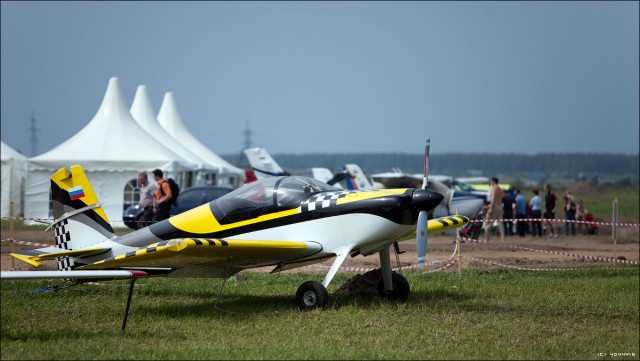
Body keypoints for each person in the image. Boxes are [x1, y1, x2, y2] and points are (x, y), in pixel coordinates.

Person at [484, 177, 505, 242]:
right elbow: (499, 199)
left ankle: (487, 239)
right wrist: (488, 206)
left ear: (493, 181)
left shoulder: (494, 188)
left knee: (487, 223)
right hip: (500, 207)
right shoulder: (500, 189)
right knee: (500, 224)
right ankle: (503, 240)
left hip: (494, 207)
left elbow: (493, 200)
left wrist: (490, 208)